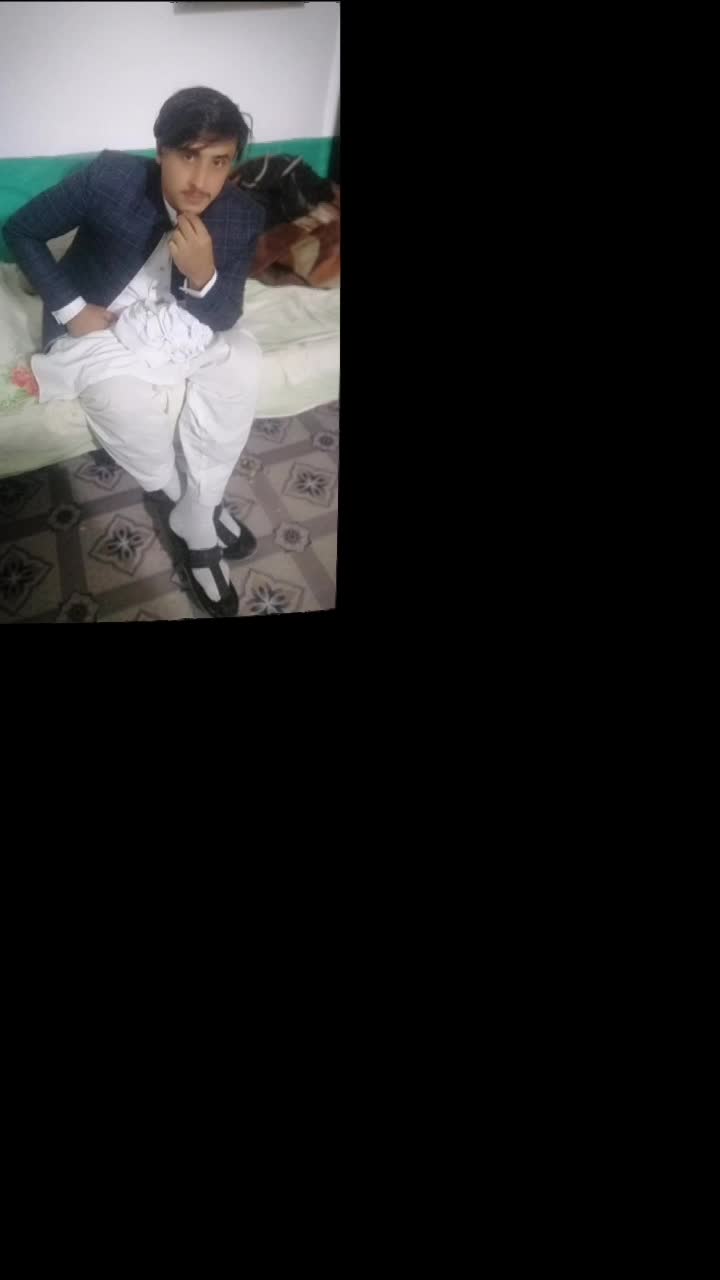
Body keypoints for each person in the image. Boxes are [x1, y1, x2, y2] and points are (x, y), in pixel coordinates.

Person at [3, 86, 266, 618]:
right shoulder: (110, 179)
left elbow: (225, 315)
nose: (201, 180)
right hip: (97, 325)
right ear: (161, 150)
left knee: (244, 359)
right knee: (123, 402)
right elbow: (21, 230)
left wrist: (204, 276)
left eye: (219, 162)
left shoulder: (241, 215)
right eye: (188, 156)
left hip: (179, 324)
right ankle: (176, 499)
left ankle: (198, 511)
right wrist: (73, 309)